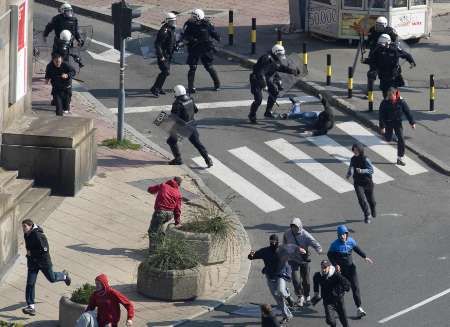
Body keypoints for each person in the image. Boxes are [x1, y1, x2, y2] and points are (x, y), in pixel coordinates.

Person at [21, 219, 71, 316]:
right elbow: (29, 247)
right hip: (33, 263)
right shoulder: (26, 234)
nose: (23, 229)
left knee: (52, 279)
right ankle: (31, 306)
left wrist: (32, 253)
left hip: (43, 262)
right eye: (22, 227)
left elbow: (45, 249)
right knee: (30, 283)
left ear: (30, 226)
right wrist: (29, 255)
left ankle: (64, 276)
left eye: (25, 227)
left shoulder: (38, 235)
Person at [327, 225, 374, 318]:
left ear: (347, 234)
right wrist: (335, 264)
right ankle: (335, 307)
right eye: (340, 235)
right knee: (340, 291)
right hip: (341, 272)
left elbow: (357, 249)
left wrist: (365, 257)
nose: (342, 236)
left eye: (344, 234)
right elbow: (330, 255)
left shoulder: (351, 241)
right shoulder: (334, 245)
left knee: (355, 288)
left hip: (351, 270)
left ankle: (359, 308)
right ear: (338, 235)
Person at [248, 234, 295, 324]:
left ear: (278, 241)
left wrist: (303, 253)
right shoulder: (265, 251)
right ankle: (287, 315)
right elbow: (253, 256)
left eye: (275, 241)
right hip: (270, 276)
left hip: (280, 275)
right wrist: (251, 255)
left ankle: (288, 296)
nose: (273, 243)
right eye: (271, 241)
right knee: (278, 298)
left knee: (281, 291)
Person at [248, 44, 299, 124]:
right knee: (258, 99)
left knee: (274, 91)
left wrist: (292, 71)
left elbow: (280, 67)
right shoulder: (266, 58)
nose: (281, 57)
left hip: (266, 78)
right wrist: (264, 85)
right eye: (280, 55)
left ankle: (268, 112)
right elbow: (260, 73)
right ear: (276, 53)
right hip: (257, 79)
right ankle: (252, 115)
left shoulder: (276, 59)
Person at [166, 85, 213, 167]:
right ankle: (207, 159)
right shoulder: (190, 99)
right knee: (197, 143)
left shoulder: (177, 103)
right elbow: (196, 110)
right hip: (192, 124)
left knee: (171, 141)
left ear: (176, 93)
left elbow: (174, 117)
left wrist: (167, 119)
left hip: (181, 126)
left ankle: (178, 159)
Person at [282, 217, 322, 307]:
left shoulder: (305, 235)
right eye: (292, 226)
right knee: (295, 279)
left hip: (304, 260)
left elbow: (314, 242)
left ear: (299, 226)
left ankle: (307, 295)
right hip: (292, 259)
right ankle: (300, 296)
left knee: (306, 280)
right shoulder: (287, 233)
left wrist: (319, 249)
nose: (293, 228)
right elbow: (284, 244)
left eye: (295, 227)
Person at [182, 8, 221, 93]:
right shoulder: (189, 24)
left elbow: (213, 33)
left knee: (209, 67)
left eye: (194, 17)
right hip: (194, 48)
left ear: (199, 17)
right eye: (192, 16)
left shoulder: (207, 24)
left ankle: (217, 84)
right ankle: (191, 87)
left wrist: (217, 38)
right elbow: (185, 35)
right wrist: (192, 39)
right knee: (192, 68)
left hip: (205, 49)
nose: (192, 18)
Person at [367, 34, 415, 98]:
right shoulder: (377, 49)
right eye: (380, 43)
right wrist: (367, 62)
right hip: (383, 75)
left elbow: (406, 55)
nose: (382, 45)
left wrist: (411, 62)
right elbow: (373, 61)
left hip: (393, 75)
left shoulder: (394, 49)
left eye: (383, 43)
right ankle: (387, 104)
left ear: (388, 42)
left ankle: (397, 102)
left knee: (392, 92)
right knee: (384, 92)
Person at [379, 87, 416, 166]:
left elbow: (407, 112)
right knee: (388, 138)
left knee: (401, 139)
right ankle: (386, 135)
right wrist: (382, 127)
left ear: (395, 94)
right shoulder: (384, 102)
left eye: (391, 96)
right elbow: (381, 115)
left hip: (397, 123)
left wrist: (412, 123)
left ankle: (400, 158)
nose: (389, 98)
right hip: (388, 123)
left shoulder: (401, 101)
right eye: (388, 96)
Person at [312, 260, 351, 327]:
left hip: (338, 300)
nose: (323, 269)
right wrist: (316, 293)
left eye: (325, 267)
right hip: (328, 301)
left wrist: (343, 290)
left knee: (344, 320)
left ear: (329, 267)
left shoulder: (336, 275)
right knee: (330, 321)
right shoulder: (318, 276)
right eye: (322, 267)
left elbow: (347, 283)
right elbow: (316, 283)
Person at [147, 177, 183, 247]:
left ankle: (153, 253)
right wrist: (177, 221)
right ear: (179, 184)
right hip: (170, 214)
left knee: (153, 232)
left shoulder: (163, 185)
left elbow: (150, 190)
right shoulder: (178, 193)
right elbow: (177, 209)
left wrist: (152, 191)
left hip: (160, 212)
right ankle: (161, 248)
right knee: (160, 229)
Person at [346, 143, 376, 224]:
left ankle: (373, 208)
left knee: (371, 201)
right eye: (354, 150)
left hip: (367, 182)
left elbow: (371, 170)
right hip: (358, 182)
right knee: (361, 199)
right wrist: (349, 173)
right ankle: (367, 215)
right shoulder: (353, 159)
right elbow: (351, 166)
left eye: (357, 150)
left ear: (360, 150)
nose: (355, 152)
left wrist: (362, 171)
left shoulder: (365, 159)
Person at [150, 12, 177, 97]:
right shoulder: (164, 30)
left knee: (166, 72)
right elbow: (157, 44)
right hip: (163, 55)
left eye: (174, 21)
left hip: (168, 55)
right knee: (165, 71)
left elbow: (171, 41)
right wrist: (161, 56)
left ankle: (159, 87)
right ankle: (155, 88)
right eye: (172, 21)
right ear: (167, 21)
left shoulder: (171, 29)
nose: (173, 22)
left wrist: (175, 46)